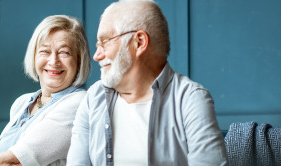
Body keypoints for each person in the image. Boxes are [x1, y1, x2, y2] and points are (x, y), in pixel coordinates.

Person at [67, 0, 228, 166]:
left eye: (105, 42)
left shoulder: (191, 99)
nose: (97, 55)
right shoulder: (93, 98)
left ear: (139, 42)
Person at [0, 15, 91, 166]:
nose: (53, 61)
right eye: (45, 51)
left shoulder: (80, 103)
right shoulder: (22, 102)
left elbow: (14, 160)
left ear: (79, 61)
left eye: (64, 52)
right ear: (34, 57)